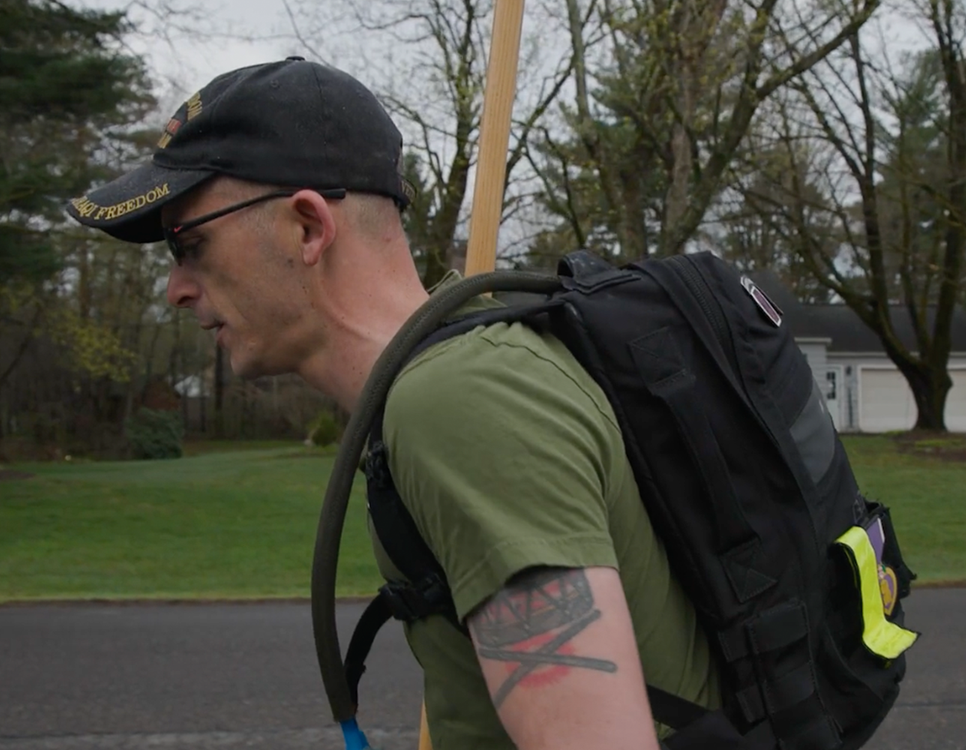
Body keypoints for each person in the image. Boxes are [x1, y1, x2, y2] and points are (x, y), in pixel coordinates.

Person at [65, 57, 718, 750]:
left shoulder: (459, 401)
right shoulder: (460, 369)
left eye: (190, 245)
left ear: (308, 227)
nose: (176, 289)